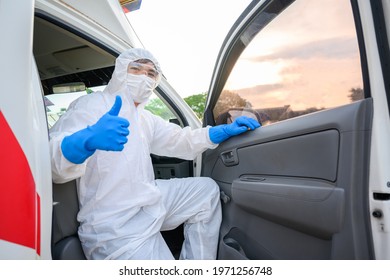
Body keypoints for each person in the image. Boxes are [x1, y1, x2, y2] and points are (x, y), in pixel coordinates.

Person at [49, 48, 261, 260]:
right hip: (114, 226)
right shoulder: (91, 104)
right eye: (137, 69)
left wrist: (218, 132)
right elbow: (50, 161)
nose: (144, 77)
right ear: (121, 71)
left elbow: (179, 140)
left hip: (146, 199)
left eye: (151, 73)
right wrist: (85, 141)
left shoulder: (144, 117)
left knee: (205, 191)